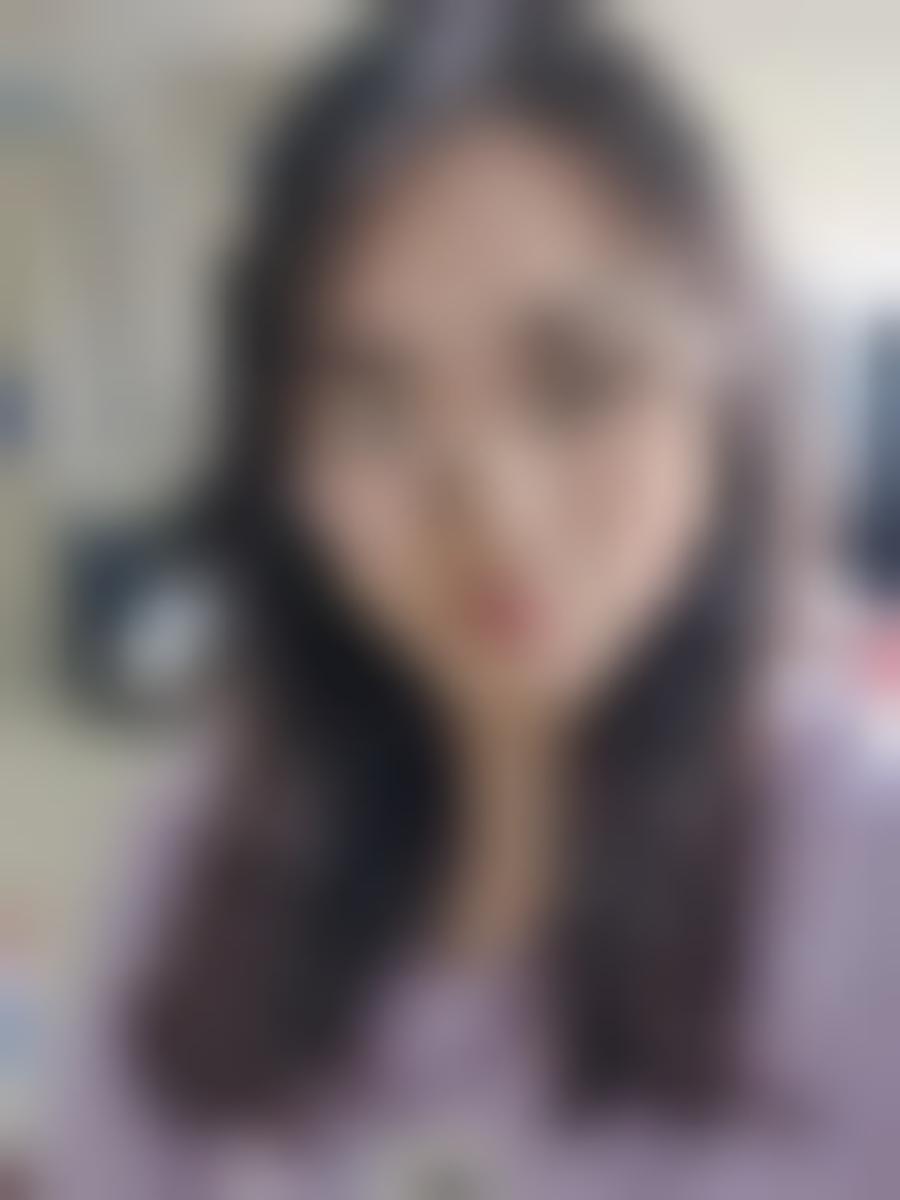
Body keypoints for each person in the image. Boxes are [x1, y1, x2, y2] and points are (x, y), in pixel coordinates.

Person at [47, 2, 900, 1197]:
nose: (495, 511)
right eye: (376, 403)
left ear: (725, 386)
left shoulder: (863, 875)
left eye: (576, 379)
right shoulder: (194, 869)